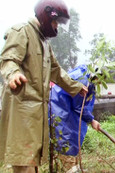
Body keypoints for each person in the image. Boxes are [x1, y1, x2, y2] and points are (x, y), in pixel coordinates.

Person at [0, 0, 88, 172]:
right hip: (22, 110)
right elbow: (9, 59)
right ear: (47, 16)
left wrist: (75, 87)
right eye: (56, 22)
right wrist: (13, 74)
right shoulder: (22, 31)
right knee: (23, 160)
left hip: (37, 113)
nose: (56, 26)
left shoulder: (45, 42)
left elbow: (56, 70)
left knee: (32, 159)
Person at [49, 65, 100, 172]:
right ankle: (69, 168)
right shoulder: (83, 81)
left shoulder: (83, 74)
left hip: (62, 108)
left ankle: (72, 167)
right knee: (67, 139)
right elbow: (79, 106)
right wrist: (91, 120)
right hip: (61, 110)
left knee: (70, 137)